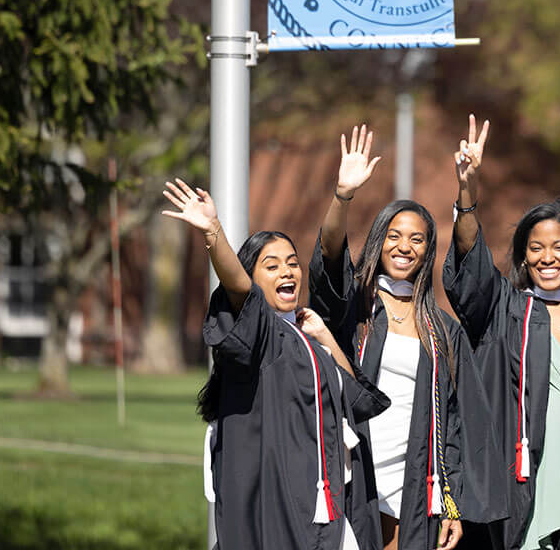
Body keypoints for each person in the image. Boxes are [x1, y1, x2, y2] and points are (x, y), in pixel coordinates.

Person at [162, 178, 391, 550]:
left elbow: (358, 402)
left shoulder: (305, 338)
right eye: (272, 266)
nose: (288, 272)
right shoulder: (261, 333)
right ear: (253, 278)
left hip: (323, 500)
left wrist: (325, 337)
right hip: (280, 501)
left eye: (292, 263)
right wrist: (213, 233)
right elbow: (239, 289)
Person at [310, 125, 507, 550]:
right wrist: (343, 195)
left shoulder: (440, 328)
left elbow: (455, 420)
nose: (405, 247)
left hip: (417, 474)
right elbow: (328, 262)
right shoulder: (356, 309)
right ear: (379, 242)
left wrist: (453, 504)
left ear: (428, 250)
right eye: (395, 236)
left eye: (417, 239)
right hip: (356, 467)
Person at [440, 115, 560, 550]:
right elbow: (471, 262)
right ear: (523, 256)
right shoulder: (505, 308)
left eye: (559, 248)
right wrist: (467, 192)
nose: (547, 258)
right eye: (535, 248)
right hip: (517, 476)